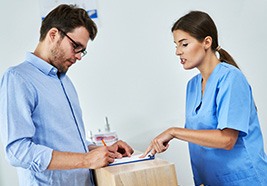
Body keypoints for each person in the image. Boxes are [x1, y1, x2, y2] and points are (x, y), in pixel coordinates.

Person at [0, 4, 133, 186]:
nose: (78, 56)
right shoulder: (18, 78)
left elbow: (68, 143)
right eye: (75, 46)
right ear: (53, 35)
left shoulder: (64, 81)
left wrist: (102, 150)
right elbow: (18, 151)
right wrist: (86, 160)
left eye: (82, 51)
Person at [142, 10, 267, 185]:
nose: (178, 52)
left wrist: (174, 132)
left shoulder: (231, 78)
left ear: (207, 42)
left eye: (184, 44)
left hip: (243, 179)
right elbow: (199, 143)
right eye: (175, 45)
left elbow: (227, 140)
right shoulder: (192, 86)